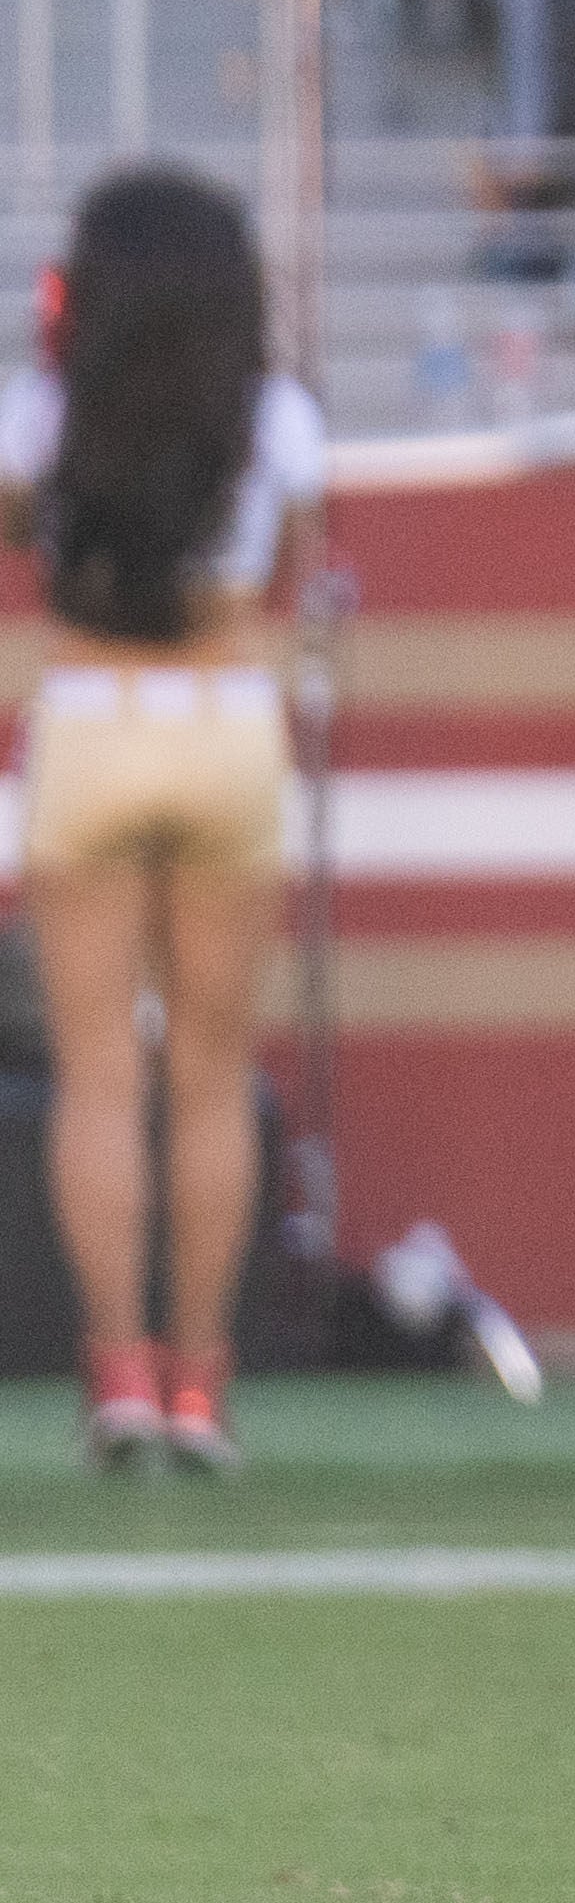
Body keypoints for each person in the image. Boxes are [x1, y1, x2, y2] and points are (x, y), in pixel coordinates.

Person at [10, 170, 323, 1475]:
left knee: (97, 1073)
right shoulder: (277, 416)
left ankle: (120, 1372)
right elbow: (283, 573)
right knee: (209, 1073)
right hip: (225, 722)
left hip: (87, 717)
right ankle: (201, 1381)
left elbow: (23, 546)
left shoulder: (41, 411)